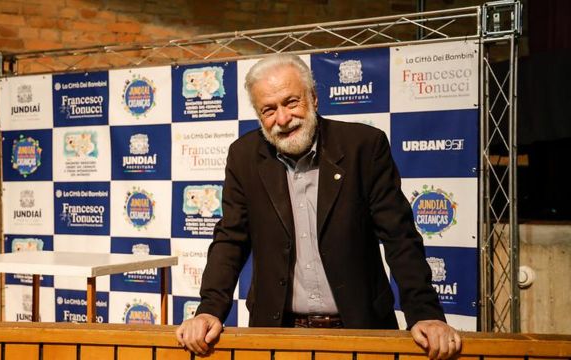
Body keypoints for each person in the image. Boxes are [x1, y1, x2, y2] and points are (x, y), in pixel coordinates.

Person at [176, 54, 462, 359]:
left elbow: (399, 237)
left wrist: (425, 313)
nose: (283, 119)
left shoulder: (363, 147)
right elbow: (230, 239)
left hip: (360, 332)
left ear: (313, 98)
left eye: (291, 102)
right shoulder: (243, 156)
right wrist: (209, 310)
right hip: (276, 335)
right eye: (269, 110)